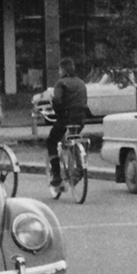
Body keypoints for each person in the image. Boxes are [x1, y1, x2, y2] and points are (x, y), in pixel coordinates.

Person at [47, 57, 89, 192]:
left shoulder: (61, 83)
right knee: (73, 138)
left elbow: (58, 101)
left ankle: (57, 176)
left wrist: (56, 110)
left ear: (63, 70)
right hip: (80, 119)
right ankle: (79, 167)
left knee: (51, 141)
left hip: (65, 119)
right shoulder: (81, 83)